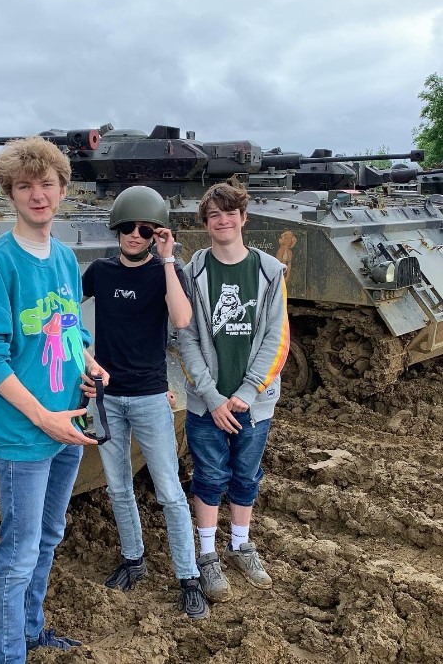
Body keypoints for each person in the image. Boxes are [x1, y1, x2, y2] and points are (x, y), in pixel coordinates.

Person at [0, 136, 109, 664]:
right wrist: (42, 416)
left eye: (47, 184)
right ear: (10, 194)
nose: (38, 196)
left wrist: (86, 360)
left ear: (62, 190)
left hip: (68, 419)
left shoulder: (64, 257)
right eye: (25, 187)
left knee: (48, 534)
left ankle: (35, 631)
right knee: (17, 554)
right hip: (27, 431)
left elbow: (67, 324)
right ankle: (10, 654)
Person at [81, 185, 208, 620]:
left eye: (146, 229)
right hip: (105, 397)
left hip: (151, 396)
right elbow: (61, 311)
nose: (136, 236)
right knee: (118, 487)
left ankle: (188, 577)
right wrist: (81, 357)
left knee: (170, 493)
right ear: (117, 228)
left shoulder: (163, 273)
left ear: (156, 233)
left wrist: (169, 258)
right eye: (129, 227)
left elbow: (181, 318)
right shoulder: (99, 271)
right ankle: (133, 561)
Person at [178, 182, 289, 605]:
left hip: (254, 402)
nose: (222, 221)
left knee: (245, 476)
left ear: (243, 218)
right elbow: (185, 336)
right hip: (208, 401)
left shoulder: (269, 271)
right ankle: (206, 556)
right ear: (206, 224)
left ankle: (240, 545)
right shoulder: (194, 273)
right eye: (213, 215)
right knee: (209, 476)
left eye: (230, 213)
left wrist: (244, 393)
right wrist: (212, 396)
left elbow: (276, 339)